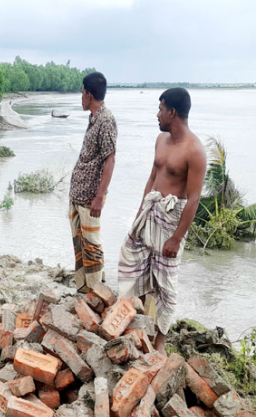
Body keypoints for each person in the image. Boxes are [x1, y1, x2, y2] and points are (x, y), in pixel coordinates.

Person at [118, 88, 206, 355]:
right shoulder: (160, 140)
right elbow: (151, 178)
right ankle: (141, 324)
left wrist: (177, 237)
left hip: (171, 221)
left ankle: (160, 342)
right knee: (134, 264)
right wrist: (138, 215)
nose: (157, 114)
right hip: (150, 213)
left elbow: (192, 200)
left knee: (165, 283)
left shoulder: (195, 150)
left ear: (172, 112)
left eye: (160, 109)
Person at [69, 72, 117, 292]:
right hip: (78, 195)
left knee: (92, 246)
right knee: (81, 244)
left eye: (82, 93)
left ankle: (97, 293)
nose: (81, 98)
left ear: (88, 94)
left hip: (90, 197)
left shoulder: (106, 120)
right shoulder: (94, 118)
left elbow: (110, 159)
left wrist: (99, 196)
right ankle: (84, 289)